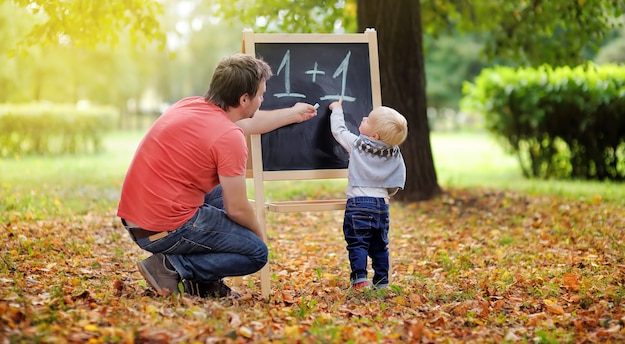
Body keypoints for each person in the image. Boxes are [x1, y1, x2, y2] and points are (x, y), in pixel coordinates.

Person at [117, 53, 317, 298]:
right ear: (244, 99)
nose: (263, 99)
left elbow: (247, 124)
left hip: (138, 220)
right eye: (261, 95)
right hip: (160, 230)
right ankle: (171, 267)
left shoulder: (191, 105)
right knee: (255, 253)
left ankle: (203, 284)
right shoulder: (228, 137)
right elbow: (238, 209)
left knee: (220, 194)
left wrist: (293, 114)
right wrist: (259, 235)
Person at [328, 99, 407, 290]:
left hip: (359, 204)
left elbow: (339, 131)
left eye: (367, 121)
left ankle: (360, 280)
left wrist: (336, 110)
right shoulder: (394, 152)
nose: (363, 118)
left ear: (375, 135)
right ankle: (382, 281)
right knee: (380, 246)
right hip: (382, 204)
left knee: (358, 243)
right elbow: (396, 181)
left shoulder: (358, 144)